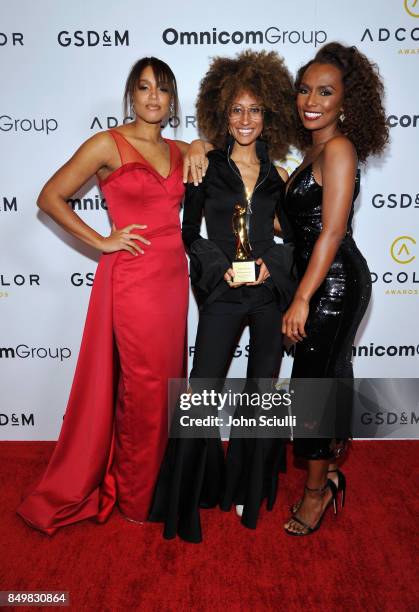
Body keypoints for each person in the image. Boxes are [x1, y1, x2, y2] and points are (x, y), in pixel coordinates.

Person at [16, 57, 201, 534]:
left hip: (172, 280)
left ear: (173, 100)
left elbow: (226, 151)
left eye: (162, 89)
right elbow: (50, 196)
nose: (153, 98)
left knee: (167, 387)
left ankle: (161, 482)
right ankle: (138, 497)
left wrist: (201, 143)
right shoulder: (108, 144)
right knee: (140, 389)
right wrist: (101, 240)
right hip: (132, 279)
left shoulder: (182, 150)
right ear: (131, 95)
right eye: (144, 88)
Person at [149, 50, 297, 542]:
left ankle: (245, 490)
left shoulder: (278, 176)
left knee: (261, 396)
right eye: (237, 109)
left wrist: (266, 266)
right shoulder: (205, 166)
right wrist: (218, 270)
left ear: (268, 113)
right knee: (202, 389)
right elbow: (191, 232)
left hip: (267, 297)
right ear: (222, 113)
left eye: (255, 109)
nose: (246, 119)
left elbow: (293, 241)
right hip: (223, 294)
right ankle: (190, 495)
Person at [281, 42, 388, 535]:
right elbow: (304, 227)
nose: (312, 100)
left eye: (326, 91)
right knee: (318, 381)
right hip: (323, 277)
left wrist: (303, 297)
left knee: (313, 389)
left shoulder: (340, 147)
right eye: (305, 89)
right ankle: (328, 474)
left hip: (334, 283)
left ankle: (316, 492)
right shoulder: (317, 150)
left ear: (347, 101)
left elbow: (331, 231)